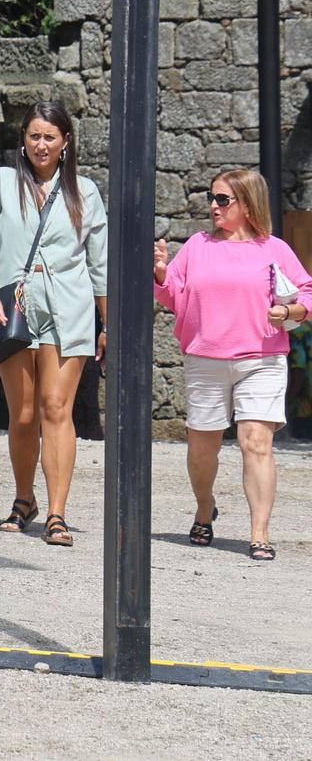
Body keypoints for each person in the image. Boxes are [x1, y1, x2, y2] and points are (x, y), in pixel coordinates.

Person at [0, 100, 108, 548]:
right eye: (34, 135)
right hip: (13, 306)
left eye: (50, 136)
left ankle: (56, 512)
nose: (41, 144)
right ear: (23, 141)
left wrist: (109, 324)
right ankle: (24, 497)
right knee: (24, 414)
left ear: (65, 142)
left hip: (69, 307)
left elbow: (100, 264)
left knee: (55, 408)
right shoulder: (0, 183)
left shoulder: (84, 191)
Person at [153, 168, 309, 562]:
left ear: (247, 203)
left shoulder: (274, 248)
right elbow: (175, 295)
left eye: (223, 199)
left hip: (262, 358)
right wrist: (160, 274)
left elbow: (307, 291)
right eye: (212, 197)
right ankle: (205, 509)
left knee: (255, 442)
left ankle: (259, 533)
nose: (214, 206)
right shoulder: (198, 245)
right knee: (202, 450)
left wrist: (290, 309)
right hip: (206, 358)